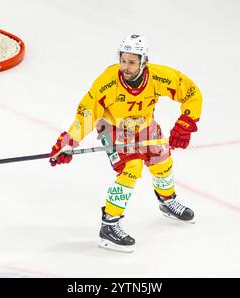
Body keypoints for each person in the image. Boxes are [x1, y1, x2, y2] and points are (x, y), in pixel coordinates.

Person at [49, 34, 203, 252]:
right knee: (132, 168)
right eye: (123, 60)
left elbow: (191, 92)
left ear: (143, 62)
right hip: (113, 128)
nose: (126, 67)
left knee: (163, 163)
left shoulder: (158, 77)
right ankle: (109, 225)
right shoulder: (108, 82)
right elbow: (87, 113)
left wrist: (186, 122)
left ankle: (167, 201)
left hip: (144, 125)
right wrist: (68, 142)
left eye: (131, 62)